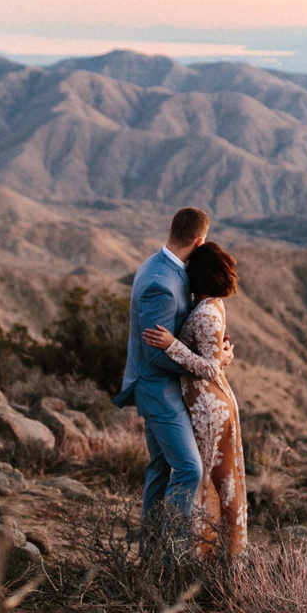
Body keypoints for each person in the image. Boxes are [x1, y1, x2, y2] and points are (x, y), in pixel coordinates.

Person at [143, 241, 247, 558]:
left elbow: (209, 367)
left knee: (208, 482)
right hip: (210, 401)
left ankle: (204, 557)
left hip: (207, 406)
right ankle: (207, 556)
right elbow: (216, 356)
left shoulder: (205, 314)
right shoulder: (211, 306)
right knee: (213, 482)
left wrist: (172, 345)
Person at [114, 207, 210, 523]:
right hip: (157, 389)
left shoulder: (156, 265)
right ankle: (172, 557)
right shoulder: (162, 283)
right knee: (188, 469)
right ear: (199, 242)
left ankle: (152, 552)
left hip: (157, 386)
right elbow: (155, 353)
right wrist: (203, 365)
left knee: (160, 467)